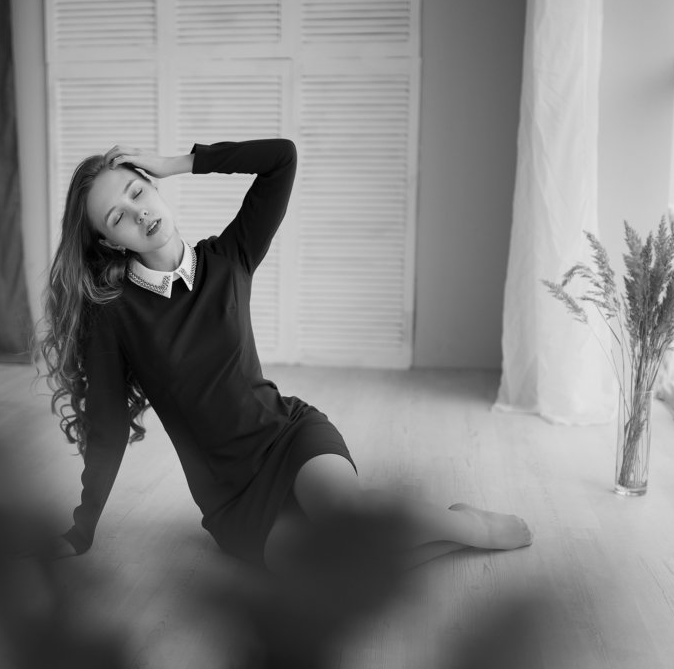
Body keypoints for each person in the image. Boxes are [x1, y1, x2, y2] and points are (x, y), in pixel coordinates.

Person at [38, 138, 532, 570]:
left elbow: (281, 158)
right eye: (117, 217)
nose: (138, 212)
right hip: (231, 497)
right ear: (109, 242)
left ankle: (474, 528)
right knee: (327, 578)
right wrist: (82, 530)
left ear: (155, 186)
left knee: (343, 519)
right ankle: (448, 526)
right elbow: (107, 426)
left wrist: (178, 162)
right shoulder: (114, 315)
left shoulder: (228, 258)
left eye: (137, 192)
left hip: (288, 437)